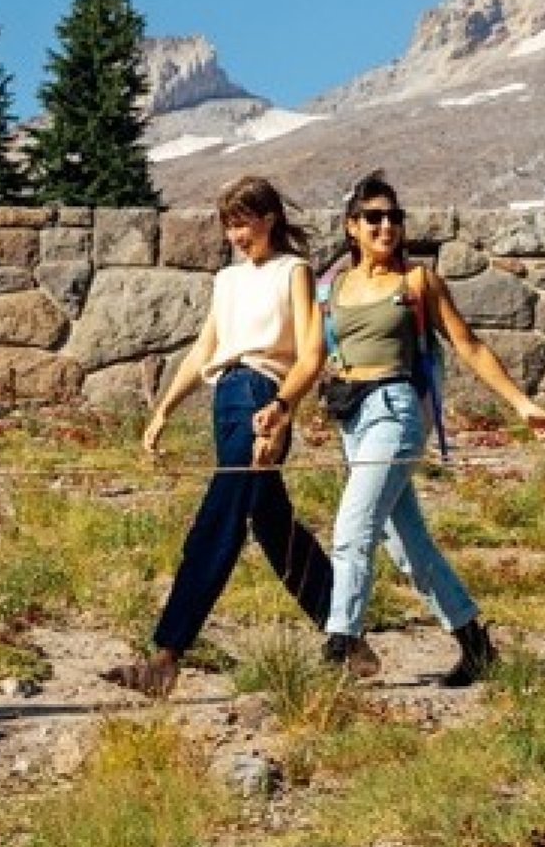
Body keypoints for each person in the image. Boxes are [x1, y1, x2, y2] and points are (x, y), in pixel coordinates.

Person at [105, 176, 371, 698]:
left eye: (242, 222)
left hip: (260, 398)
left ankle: (167, 655)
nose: (235, 235)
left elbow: (310, 353)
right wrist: (163, 410)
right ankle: (349, 640)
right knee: (272, 525)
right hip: (226, 396)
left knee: (218, 519)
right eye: (228, 225)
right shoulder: (226, 281)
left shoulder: (293, 271)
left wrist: (281, 409)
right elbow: (205, 351)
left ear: (268, 218)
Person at [312, 170, 545, 686]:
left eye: (394, 217)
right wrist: (278, 410)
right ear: (351, 226)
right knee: (406, 544)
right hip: (351, 419)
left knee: (352, 529)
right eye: (374, 217)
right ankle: (475, 643)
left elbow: (468, 345)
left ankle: (340, 645)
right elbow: (312, 359)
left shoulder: (417, 282)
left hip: (395, 413)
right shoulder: (331, 289)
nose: (387, 226)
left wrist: (521, 404)